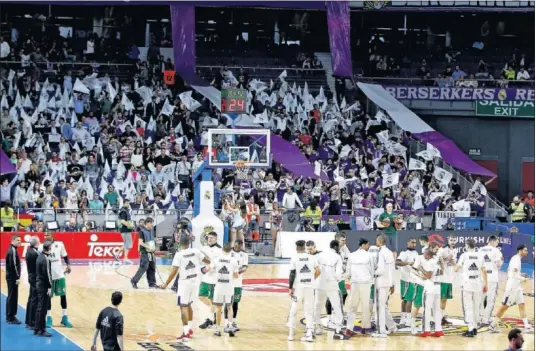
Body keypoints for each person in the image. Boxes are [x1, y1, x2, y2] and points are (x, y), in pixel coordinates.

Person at [161, 237, 209, 341]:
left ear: (179, 244)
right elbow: (207, 260)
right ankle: (189, 329)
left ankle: (186, 333)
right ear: (189, 243)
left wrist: (166, 284)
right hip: (195, 282)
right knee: (189, 305)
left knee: (183, 307)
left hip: (185, 283)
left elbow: (174, 270)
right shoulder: (196, 251)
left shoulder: (179, 254)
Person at [490, 245, 534, 333]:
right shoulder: (515, 259)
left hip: (517, 287)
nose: (527, 252)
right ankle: (492, 325)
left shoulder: (518, 259)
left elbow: (512, 272)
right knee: (505, 306)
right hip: (512, 288)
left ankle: (526, 326)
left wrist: (522, 274)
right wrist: (524, 278)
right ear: (520, 250)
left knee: (522, 304)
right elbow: (513, 275)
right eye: (525, 250)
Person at [287, 240, 320, 342]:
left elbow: (292, 274)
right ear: (304, 247)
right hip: (310, 287)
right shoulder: (312, 257)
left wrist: (290, 288)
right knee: (309, 311)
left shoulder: (295, 258)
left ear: (297, 248)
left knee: (293, 310)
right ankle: (309, 335)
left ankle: (291, 335)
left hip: (299, 288)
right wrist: (312, 279)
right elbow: (318, 271)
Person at [454, 238, 488, 337]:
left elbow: (456, 269)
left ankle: (470, 328)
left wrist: (453, 262)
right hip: (478, 285)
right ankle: (475, 327)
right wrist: (486, 284)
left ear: (467, 246)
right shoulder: (480, 255)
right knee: (476, 307)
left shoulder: (464, 256)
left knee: (468, 307)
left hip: (467, 285)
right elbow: (484, 271)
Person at [207, 243, 239, 337]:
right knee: (229, 307)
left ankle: (217, 329)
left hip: (219, 287)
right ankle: (229, 325)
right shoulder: (234, 261)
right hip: (229, 287)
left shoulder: (216, 260)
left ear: (222, 250)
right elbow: (236, 276)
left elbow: (208, 268)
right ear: (231, 250)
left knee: (218, 308)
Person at [42, 231, 73, 328]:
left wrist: (68, 265)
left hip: (59, 274)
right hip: (49, 276)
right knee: (48, 297)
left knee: (63, 296)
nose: (45, 236)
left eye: (47, 235)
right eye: (44, 235)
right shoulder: (41, 246)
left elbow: (65, 256)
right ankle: (49, 318)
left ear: (52, 236)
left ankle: (64, 317)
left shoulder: (59, 244)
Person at [345, 238, 374, 337]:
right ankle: (364, 328)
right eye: (367, 245)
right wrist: (372, 280)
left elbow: (348, 271)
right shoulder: (369, 255)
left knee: (352, 307)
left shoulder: (351, 255)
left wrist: (349, 278)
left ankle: (349, 328)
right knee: (365, 306)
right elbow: (372, 270)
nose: (368, 246)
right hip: (365, 283)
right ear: (364, 245)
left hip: (354, 283)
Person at [314, 240, 344, 335]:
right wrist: (337, 279)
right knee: (336, 305)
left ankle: (316, 326)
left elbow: (315, 269)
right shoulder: (337, 257)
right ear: (335, 247)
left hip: (320, 283)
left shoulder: (321, 254)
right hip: (331, 283)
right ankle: (338, 328)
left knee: (318, 305)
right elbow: (339, 274)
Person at [372, 234, 397, 338]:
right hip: (387, 283)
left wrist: (372, 272)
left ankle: (380, 330)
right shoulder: (389, 253)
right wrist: (392, 284)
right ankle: (392, 327)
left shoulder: (381, 253)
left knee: (379, 307)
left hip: (381, 282)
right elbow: (392, 270)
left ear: (379, 241)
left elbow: (381, 269)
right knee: (384, 306)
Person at [198, 232, 223, 329]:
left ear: (216, 239)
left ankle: (210, 319)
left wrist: (208, 266)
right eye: (208, 238)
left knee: (213, 299)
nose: (210, 239)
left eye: (212, 238)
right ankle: (216, 310)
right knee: (201, 296)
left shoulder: (219, 250)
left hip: (214, 279)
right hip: (205, 277)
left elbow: (216, 264)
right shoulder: (204, 248)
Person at [418, 249, 444, 337]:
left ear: (428, 254)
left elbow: (428, 275)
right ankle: (438, 330)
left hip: (430, 287)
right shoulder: (437, 262)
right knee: (437, 310)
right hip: (438, 286)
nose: (423, 255)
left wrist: (421, 268)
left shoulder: (430, 262)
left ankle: (426, 330)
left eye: (424, 253)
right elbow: (442, 272)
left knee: (427, 309)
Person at [326, 233, 350, 325]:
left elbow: (348, 260)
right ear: (337, 240)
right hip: (332, 277)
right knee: (332, 296)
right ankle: (330, 317)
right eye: (342, 240)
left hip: (341, 276)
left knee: (343, 294)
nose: (344, 242)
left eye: (345, 240)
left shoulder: (345, 249)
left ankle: (339, 312)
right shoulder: (332, 250)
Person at [479, 235, 504, 325]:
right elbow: (498, 264)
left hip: (482, 278)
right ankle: (486, 319)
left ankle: (479, 318)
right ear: (492, 241)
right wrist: (501, 262)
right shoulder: (496, 251)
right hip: (492, 278)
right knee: (490, 300)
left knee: (480, 299)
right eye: (497, 242)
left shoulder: (480, 250)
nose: (497, 244)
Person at [395, 237, 419, 327]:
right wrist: (408, 263)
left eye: (415, 243)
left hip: (413, 279)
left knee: (407, 299)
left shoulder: (416, 253)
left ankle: (404, 318)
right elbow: (397, 262)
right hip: (406, 279)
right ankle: (406, 319)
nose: (414, 244)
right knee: (407, 300)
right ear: (408, 243)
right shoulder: (404, 253)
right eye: (412, 242)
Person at [227, 239, 248, 332]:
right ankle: (227, 322)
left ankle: (234, 321)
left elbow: (245, 267)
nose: (238, 246)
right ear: (234, 244)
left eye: (240, 245)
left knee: (235, 302)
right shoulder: (228, 252)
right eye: (236, 244)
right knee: (227, 302)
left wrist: (237, 272)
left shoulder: (244, 255)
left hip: (238, 282)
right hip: (227, 282)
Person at [131, 217, 159, 289]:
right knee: (144, 267)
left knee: (152, 267)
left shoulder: (152, 231)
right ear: (147, 223)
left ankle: (152, 283)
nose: (152, 224)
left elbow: (152, 240)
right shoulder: (142, 232)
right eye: (151, 223)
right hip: (145, 252)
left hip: (151, 252)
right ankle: (134, 281)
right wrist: (147, 247)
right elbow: (140, 242)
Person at [437, 233, 457, 326]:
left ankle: (442, 317)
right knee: (442, 299)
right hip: (443, 278)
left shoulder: (455, 250)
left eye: (454, 240)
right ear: (448, 240)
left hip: (450, 278)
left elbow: (454, 263)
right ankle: (438, 318)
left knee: (445, 299)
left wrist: (453, 262)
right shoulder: (443, 249)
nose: (452, 242)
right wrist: (445, 260)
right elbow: (437, 260)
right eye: (451, 240)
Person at [305, 240, 324, 336]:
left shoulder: (321, 255)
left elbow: (320, 271)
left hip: (318, 283)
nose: (309, 251)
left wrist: (313, 278)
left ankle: (318, 325)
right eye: (307, 249)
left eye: (311, 249)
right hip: (308, 284)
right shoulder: (305, 256)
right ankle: (310, 325)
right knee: (309, 305)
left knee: (317, 305)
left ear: (315, 247)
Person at [35, 241, 53, 337]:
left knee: (39, 307)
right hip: (44, 286)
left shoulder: (39, 256)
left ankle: (37, 328)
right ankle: (42, 329)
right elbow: (47, 274)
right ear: (49, 248)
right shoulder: (45, 259)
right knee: (43, 308)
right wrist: (50, 286)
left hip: (39, 284)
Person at [5, 233, 21, 324]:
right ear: (13, 241)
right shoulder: (13, 251)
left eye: (20, 240)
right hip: (13, 278)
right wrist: (18, 277)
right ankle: (11, 316)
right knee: (13, 296)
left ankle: (9, 315)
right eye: (18, 240)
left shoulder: (11, 250)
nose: (20, 242)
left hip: (10, 277)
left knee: (10, 296)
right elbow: (14, 265)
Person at [25, 236, 41, 329]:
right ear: (36, 243)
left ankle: (28, 320)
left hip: (31, 277)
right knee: (34, 299)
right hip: (34, 278)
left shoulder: (29, 250)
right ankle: (33, 322)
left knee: (31, 298)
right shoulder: (34, 253)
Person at [115, 199, 134, 264]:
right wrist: (130, 225)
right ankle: (125, 258)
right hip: (125, 230)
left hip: (125, 230)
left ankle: (117, 254)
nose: (128, 204)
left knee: (126, 244)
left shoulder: (125, 211)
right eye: (126, 203)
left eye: (128, 203)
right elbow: (122, 221)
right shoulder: (123, 211)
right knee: (128, 244)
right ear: (123, 204)